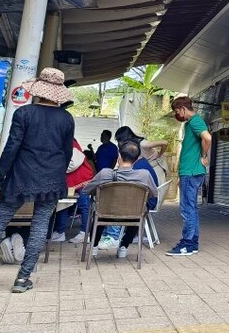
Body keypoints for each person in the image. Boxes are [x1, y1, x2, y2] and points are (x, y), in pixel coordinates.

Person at [0, 68, 74, 294]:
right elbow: (67, 154)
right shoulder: (66, 119)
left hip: (21, 177)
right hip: (52, 180)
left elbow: (11, 149)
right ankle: (23, 279)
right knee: (40, 225)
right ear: (58, 92)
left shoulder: (24, 114)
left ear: (38, 90)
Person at [81, 140, 157, 259]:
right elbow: (154, 194)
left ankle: (94, 246)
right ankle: (123, 247)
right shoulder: (144, 175)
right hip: (133, 215)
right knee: (138, 211)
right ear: (137, 158)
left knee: (99, 211)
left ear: (119, 156)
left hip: (106, 213)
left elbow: (86, 191)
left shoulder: (105, 173)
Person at [167, 96, 211, 256]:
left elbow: (208, 138)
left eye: (178, 111)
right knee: (190, 208)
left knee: (187, 209)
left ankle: (187, 244)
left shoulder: (195, 121)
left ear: (183, 109)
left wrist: (204, 154)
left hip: (192, 172)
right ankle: (192, 244)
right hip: (189, 172)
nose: (178, 115)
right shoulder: (190, 124)